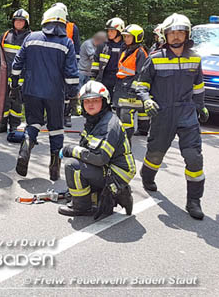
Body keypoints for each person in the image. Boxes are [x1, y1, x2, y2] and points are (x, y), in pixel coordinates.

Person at [136, 13, 208, 220]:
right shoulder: (155, 58)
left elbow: (198, 86)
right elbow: (141, 84)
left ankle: (194, 201)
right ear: (165, 36)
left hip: (187, 113)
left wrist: (201, 107)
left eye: (180, 33)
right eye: (172, 33)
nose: (176, 37)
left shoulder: (195, 57)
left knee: (194, 158)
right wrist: (146, 100)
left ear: (187, 34)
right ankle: (147, 176)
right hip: (162, 113)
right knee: (156, 155)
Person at [11, 6, 78, 181]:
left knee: (33, 123)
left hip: (31, 90)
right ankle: (54, 167)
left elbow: (17, 64)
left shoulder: (30, 38)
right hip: (55, 93)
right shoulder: (67, 43)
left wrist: (15, 86)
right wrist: (73, 97)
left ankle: (26, 146)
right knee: (56, 128)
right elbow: (71, 73)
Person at [58, 81, 134, 217]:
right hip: (109, 167)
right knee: (78, 169)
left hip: (117, 172)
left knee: (73, 166)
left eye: (95, 100)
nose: (90, 105)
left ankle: (83, 207)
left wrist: (70, 149)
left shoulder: (108, 125)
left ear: (104, 101)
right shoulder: (95, 119)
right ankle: (107, 195)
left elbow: (99, 158)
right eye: (86, 101)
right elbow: (87, 148)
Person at [0, 9, 31, 141]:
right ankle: (1, 124)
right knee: (4, 101)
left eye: (21, 20)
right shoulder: (6, 35)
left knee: (17, 103)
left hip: (22, 76)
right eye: (17, 20)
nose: (18, 22)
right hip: (5, 75)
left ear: (26, 23)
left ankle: (14, 126)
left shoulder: (30, 36)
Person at [113, 24, 148, 141]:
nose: (126, 39)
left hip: (130, 91)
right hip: (121, 88)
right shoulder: (126, 50)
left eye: (128, 37)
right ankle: (120, 140)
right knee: (119, 116)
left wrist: (133, 89)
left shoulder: (140, 53)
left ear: (137, 37)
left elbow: (141, 74)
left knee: (126, 117)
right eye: (125, 36)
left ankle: (125, 142)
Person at [53, 3, 81, 127]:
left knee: (67, 91)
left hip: (67, 63)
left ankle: (66, 115)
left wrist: (74, 65)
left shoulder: (72, 27)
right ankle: (52, 114)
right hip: (53, 63)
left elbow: (76, 48)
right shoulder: (50, 26)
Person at [91, 17, 126, 100]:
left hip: (119, 81)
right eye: (108, 31)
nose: (109, 33)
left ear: (119, 31)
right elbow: (96, 62)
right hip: (104, 80)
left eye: (112, 31)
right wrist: (93, 78)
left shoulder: (125, 47)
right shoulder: (103, 46)